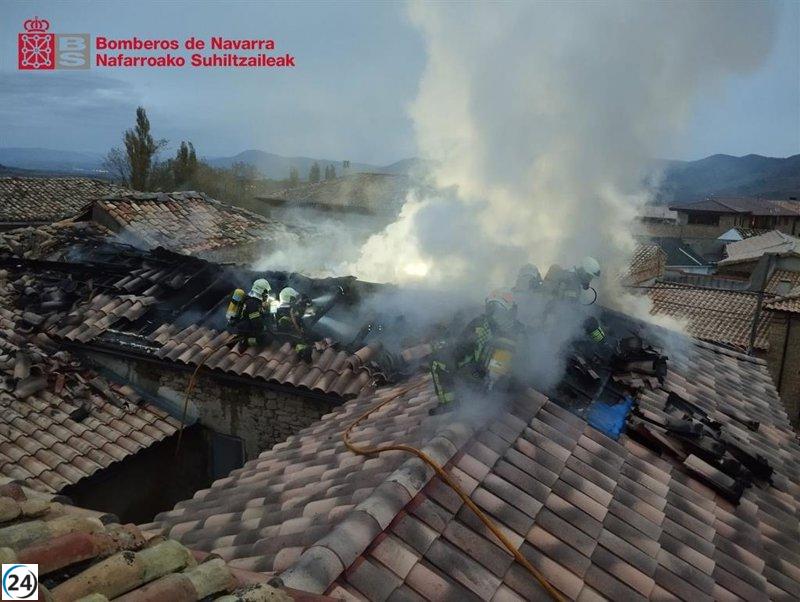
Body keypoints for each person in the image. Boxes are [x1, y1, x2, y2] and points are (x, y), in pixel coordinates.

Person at [429, 289, 521, 415]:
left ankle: (482, 403)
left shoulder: (519, 331)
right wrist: (448, 354)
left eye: (499, 309)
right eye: (492, 308)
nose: (495, 313)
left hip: (505, 385)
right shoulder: (479, 324)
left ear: (510, 311)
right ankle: (449, 404)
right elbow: (461, 346)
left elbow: (525, 365)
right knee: (438, 360)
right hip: (478, 374)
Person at [235, 278, 274, 348]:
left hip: (245, 327)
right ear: (262, 292)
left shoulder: (251, 300)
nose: (267, 295)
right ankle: (245, 342)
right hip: (246, 331)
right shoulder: (253, 304)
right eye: (266, 292)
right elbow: (256, 323)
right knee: (267, 338)